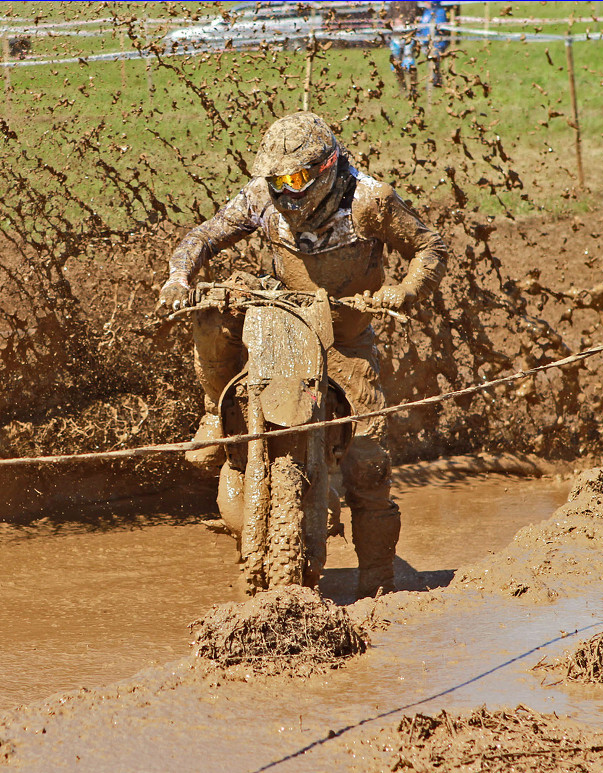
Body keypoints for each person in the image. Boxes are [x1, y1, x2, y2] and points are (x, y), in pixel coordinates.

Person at [156, 111, 448, 598]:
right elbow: (203, 237)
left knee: (368, 463)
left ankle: (380, 587)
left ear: (327, 167)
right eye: (276, 181)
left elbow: (429, 246)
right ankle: (214, 410)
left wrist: (407, 290)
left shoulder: (369, 201)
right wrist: (177, 278)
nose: (287, 192)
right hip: (280, 318)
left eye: (296, 179)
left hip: (345, 338)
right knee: (209, 313)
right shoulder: (259, 198)